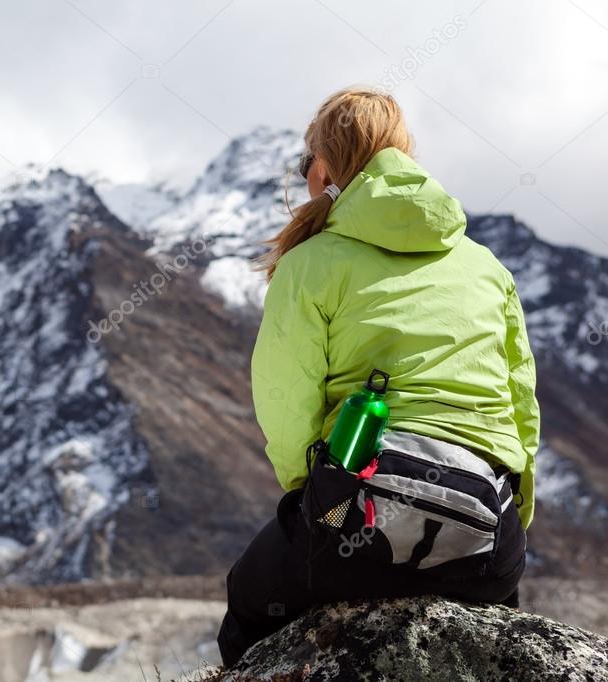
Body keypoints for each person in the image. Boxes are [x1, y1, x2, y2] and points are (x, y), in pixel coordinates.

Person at [217, 86, 539, 668]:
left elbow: (286, 403)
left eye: (305, 162)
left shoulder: (309, 264)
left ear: (327, 166)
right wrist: (512, 518)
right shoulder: (486, 266)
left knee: (247, 608)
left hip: (351, 519)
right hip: (486, 535)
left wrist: (315, 498)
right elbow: (521, 409)